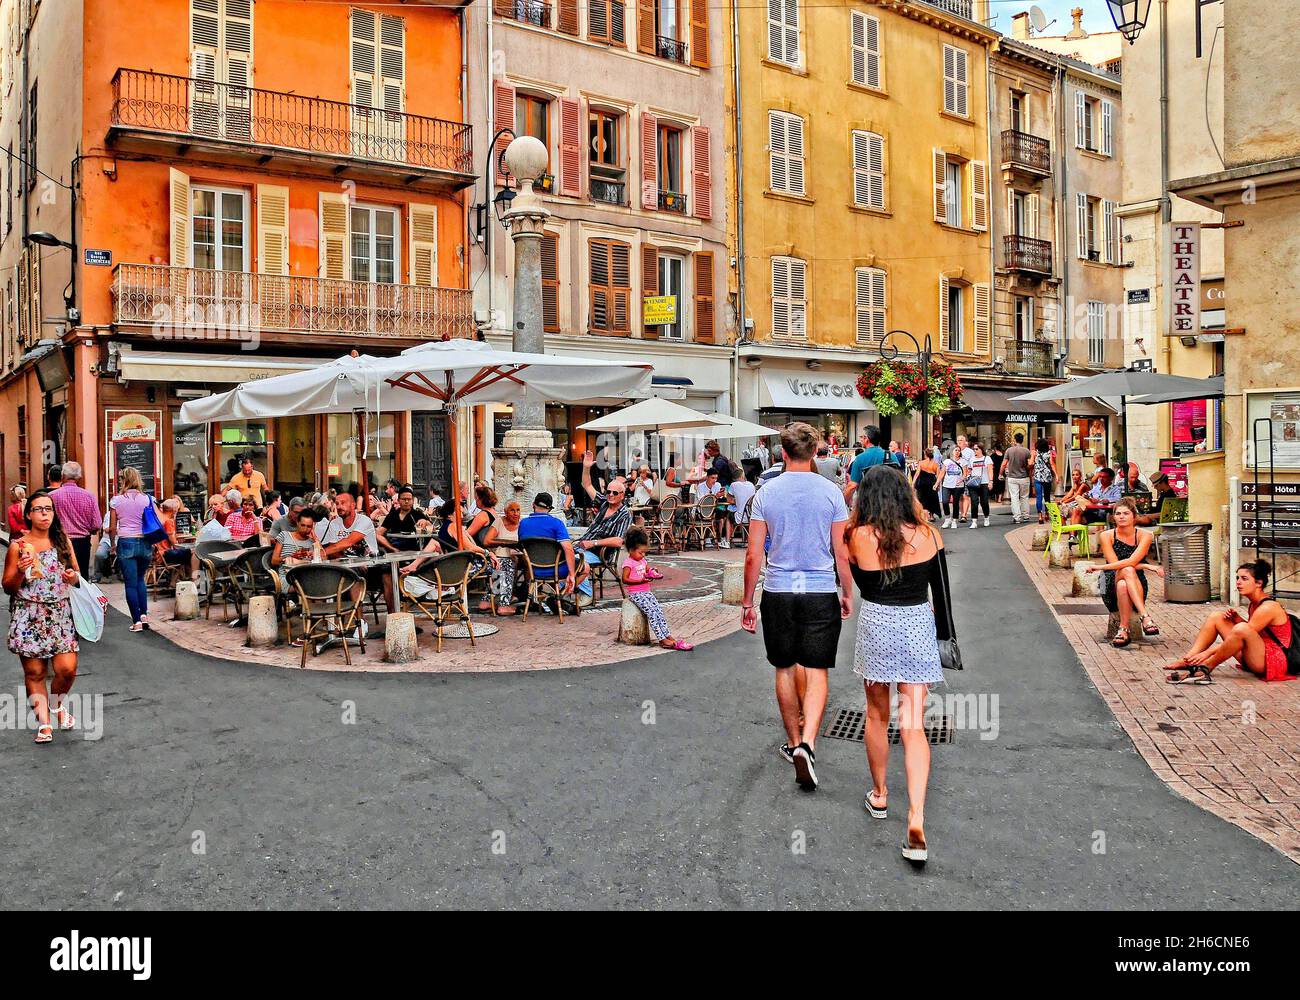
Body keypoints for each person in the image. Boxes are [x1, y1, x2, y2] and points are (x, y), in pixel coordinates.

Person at [741, 421, 853, 792]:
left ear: (783, 454)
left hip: (780, 589)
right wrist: (846, 591)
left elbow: (754, 554)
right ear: (815, 452)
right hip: (820, 588)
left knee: (785, 667)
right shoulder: (831, 492)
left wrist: (747, 601)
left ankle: (793, 743)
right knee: (817, 669)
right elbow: (842, 550)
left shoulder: (767, 493)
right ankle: (809, 742)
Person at [845, 464, 947, 865]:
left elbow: (856, 582)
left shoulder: (854, 536)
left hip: (876, 624)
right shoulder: (928, 535)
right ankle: (917, 816)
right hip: (918, 622)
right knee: (914, 726)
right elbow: (939, 592)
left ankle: (881, 794)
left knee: (875, 714)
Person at [4, 492, 81, 745]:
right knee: (35, 672)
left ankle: (57, 707)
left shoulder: (62, 542)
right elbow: (8, 586)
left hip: (59, 614)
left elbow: (77, 576)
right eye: (39, 509)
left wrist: (72, 577)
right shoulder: (18, 546)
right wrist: (22, 572)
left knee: (66, 669)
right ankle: (45, 723)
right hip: (28, 615)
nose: (45, 514)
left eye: (49, 509)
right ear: (28, 514)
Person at [1164, 560, 1297, 685]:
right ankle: (1188, 659)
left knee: (1241, 628)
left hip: (1272, 661)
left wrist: (1207, 654)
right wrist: (1238, 620)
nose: (1238, 583)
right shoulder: (1254, 604)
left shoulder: (1268, 607)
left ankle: (1205, 668)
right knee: (1217, 617)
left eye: (1244, 579)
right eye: (1237, 578)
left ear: (1258, 583)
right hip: (1256, 654)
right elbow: (1256, 632)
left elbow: (1243, 632)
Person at [1085, 497, 1164, 647]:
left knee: (1124, 583)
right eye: (1118, 513)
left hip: (1135, 582)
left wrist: (1099, 566)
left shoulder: (1144, 535)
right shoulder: (1106, 535)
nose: (1121, 517)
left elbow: (1132, 562)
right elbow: (1116, 566)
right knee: (1126, 571)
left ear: (1134, 516)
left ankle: (1123, 629)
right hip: (1110, 581)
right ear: (1113, 517)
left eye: (1126, 513)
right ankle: (1145, 616)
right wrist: (1148, 566)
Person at [621, 527, 693, 650]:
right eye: (640, 552)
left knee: (658, 611)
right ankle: (662, 639)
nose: (643, 555)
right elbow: (625, 579)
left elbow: (648, 569)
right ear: (631, 550)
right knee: (652, 613)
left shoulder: (642, 560)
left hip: (646, 591)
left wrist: (653, 572)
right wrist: (639, 580)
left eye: (644, 552)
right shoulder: (629, 563)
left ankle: (668, 635)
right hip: (636, 593)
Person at [577, 451, 632, 602]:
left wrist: (593, 543)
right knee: (561, 556)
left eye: (615, 492)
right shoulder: (603, 503)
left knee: (574, 560)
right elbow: (586, 484)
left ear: (622, 495)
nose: (611, 495)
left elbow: (619, 540)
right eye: (608, 491)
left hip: (600, 552)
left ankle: (586, 593)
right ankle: (565, 594)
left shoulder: (625, 514)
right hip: (583, 546)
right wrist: (586, 467)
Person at [108, 467, 155, 632]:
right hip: (145, 542)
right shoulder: (148, 499)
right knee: (140, 580)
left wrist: (113, 544)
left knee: (130, 583)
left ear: (124, 480)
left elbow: (112, 527)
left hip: (126, 541)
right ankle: (144, 615)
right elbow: (154, 521)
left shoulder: (116, 501)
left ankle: (136, 621)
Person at [514, 492, 580, 605]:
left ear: (533, 505)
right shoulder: (557, 524)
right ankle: (558, 597)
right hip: (556, 570)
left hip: (531, 570)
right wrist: (572, 574)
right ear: (549, 508)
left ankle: (547, 597)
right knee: (585, 567)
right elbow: (568, 549)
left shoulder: (523, 524)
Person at [50, 461, 101, 577]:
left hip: (60, 541)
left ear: (63, 475)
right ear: (79, 477)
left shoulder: (52, 496)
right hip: (82, 542)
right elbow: (97, 524)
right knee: (81, 577)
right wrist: (90, 530)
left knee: (60, 576)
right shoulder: (89, 496)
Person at [483, 500, 524, 615]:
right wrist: (506, 543)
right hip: (498, 558)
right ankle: (503, 605)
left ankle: (489, 600)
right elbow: (486, 541)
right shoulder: (499, 522)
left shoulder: (522, 524)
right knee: (506, 565)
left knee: (514, 564)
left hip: (518, 558)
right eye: (512, 510)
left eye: (518, 510)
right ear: (506, 512)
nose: (516, 513)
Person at [155, 497, 197, 581]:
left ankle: (174, 582)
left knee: (184, 554)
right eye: (176, 509)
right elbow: (174, 542)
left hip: (157, 553)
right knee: (194, 552)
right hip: (164, 554)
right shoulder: (168, 521)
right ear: (173, 510)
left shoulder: (159, 520)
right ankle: (195, 580)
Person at [846, 424, 887, 498]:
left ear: (866, 439)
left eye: (861, 437)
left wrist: (844, 501)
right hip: (889, 501)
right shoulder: (891, 455)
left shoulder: (860, 458)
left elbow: (852, 486)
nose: (860, 439)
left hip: (868, 502)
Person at [1003, 433, 1033, 524]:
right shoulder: (1026, 451)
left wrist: (1000, 473)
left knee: (1014, 497)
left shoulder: (1009, 450)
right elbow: (1030, 465)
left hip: (1012, 477)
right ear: (1022, 440)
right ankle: (1026, 516)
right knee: (1024, 497)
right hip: (1024, 477)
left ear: (1015, 440)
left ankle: (1017, 517)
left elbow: (1004, 463)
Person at [965, 442, 993, 528]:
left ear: (981, 449)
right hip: (973, 483)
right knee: (974, 502)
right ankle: (974, 521)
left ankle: (986, 517)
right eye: (974, 449)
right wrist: (968, 475)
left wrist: (990, 481)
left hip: (984, 482)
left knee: (984, 502)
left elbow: (990, 470)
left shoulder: (987, 458)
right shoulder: (972, 459)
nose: (975, 451)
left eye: (976, 449)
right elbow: (969, 470)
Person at [726, 467, 756, 543]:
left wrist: (737, 501)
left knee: (728, 517)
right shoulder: (751, 485)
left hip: (740, 517)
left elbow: (728, 499)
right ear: (742, 476)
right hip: (751, 516)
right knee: (741, 511)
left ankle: (727, 541)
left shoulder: (734, 485)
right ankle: (745, 540)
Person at [911, 447, 943, 521]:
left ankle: (924, 514)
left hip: (922, 482)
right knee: (932, 499)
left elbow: (916, 474)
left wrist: (913, 483)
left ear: (925, 454)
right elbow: (938, 476)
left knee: (922, 498)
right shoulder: (936, 464)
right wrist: (938, 485)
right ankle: (931, 515)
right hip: (931, 482)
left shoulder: (921, 463)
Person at [939, 446, 966, 529]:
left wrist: (961, 479)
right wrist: (937, 483)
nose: (957, 452)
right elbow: (942, 473)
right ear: (952, 452)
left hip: (958, 486)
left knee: (955, 503)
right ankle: (947, 519)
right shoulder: (946, 461)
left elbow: (965, 473)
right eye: (956, 450)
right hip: (947, 484)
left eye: (959, 450)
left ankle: (954, 520)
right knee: (945, 501)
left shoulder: (963, 461)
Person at [1032, 438, 1057, 524]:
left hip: (1038, 477)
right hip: (1047, 477)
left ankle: (1040, 516)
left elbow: (1031, 463)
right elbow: (1052, 464)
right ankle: (1047, 513)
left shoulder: (1035, 453)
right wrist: (1056, 475)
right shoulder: (1049, 453)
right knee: (1047, 497)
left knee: (1039, 497)